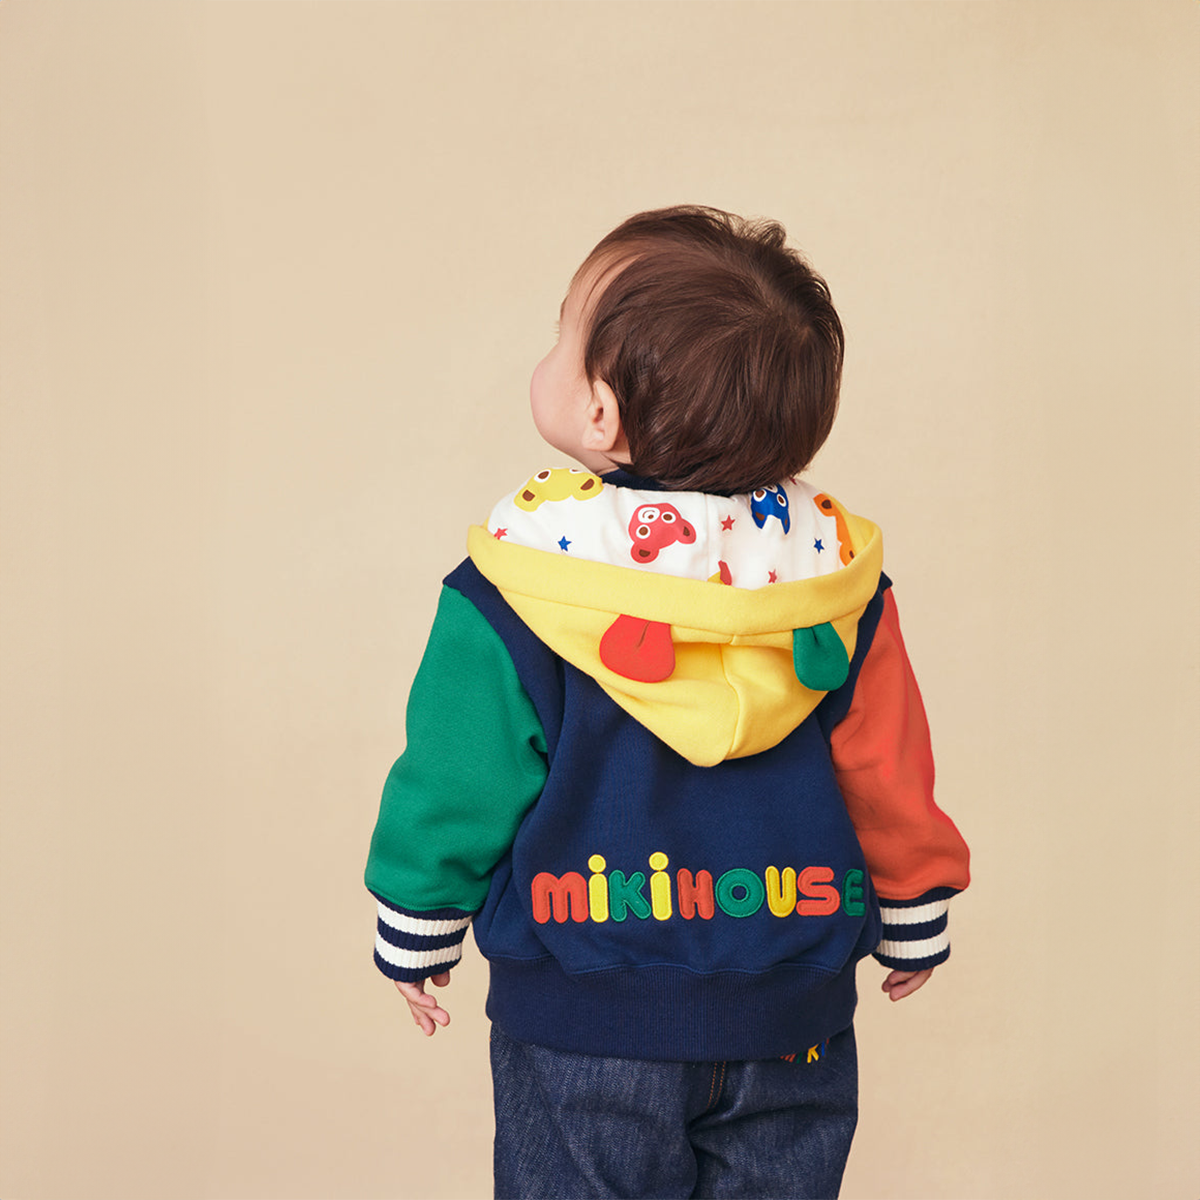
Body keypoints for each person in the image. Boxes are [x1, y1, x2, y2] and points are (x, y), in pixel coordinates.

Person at [365, 205, 970, 1199]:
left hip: (582, 1015)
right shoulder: (836, 589)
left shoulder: (517, 588)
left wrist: (418, 918)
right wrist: (914, 905)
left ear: (600, 415)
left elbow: (459, 775)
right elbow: (886, 764)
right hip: (791, 1015)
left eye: (563, 335)